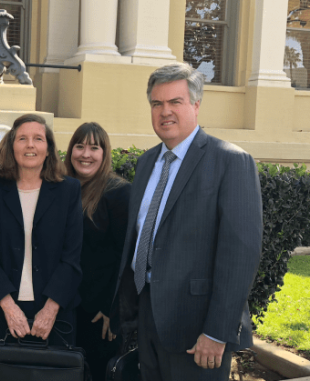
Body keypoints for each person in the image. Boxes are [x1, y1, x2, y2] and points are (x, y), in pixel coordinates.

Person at [109, 63, 262, 381]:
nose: (165, 111)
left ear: (196, 104)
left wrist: (217, 332)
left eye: (175, 102)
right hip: (148, 313)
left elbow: (240, 255)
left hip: (198, 328)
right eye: (156, 103)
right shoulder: (147, 161)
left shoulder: (230, 162)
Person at [0, 114, 83, 345]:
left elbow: (72, 256)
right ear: (11, 146)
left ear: (49, 148)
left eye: (38, 138)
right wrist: (9, 307)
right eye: (22, 138)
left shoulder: (68, 190)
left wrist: (50, 309)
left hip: (56, 310)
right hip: (5, 310)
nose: (30, 145)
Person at [64, 122, 131, 381]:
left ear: (104, 154)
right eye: (79, 146)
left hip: (100, 314)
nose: (85, 154)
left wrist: (113, 310)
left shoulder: (118, 192)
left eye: (94, 147)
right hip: (65, 305)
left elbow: (127, 256)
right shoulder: (62, 188)